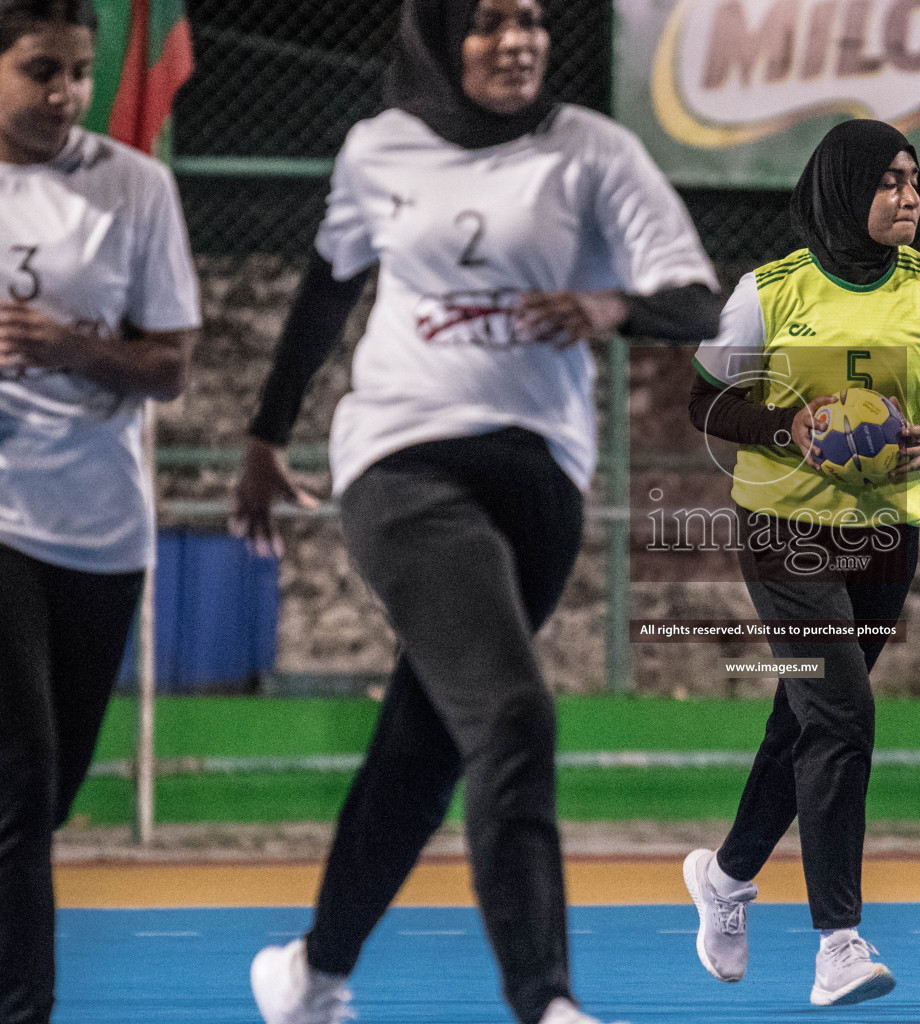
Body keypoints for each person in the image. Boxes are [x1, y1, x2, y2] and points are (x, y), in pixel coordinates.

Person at [231, 2, 720, 1023]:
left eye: (532, 19)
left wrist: (610, 307)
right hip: (401, 461)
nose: (516, 39)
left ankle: (311, 973)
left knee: (423, 744)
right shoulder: (381, 150)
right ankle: (545, 1000)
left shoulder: (595, 152)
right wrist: (264, 437)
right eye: (489, 19)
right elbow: (329, 287)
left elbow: (696, 298)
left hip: (540, 480)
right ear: (444, 38)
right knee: (511, 713)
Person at [683, 119, 920, 1008]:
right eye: (889, 181)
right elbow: (704, 402)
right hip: (784, 532)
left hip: (885, 534)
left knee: (807, 719)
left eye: (915, 180)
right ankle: (839, 943)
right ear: (842, 189)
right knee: (844, 715)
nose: (909, 197)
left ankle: (728, 878)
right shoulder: (771, 292)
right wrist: (789, 428)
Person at [0, 1, 201, 1021]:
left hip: (98, 528)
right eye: (41, 70)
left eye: (78, 72)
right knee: (21, 776)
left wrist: (65, 345)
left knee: (41, 801)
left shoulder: (135, 188)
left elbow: (170, 364)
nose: (64, 94)